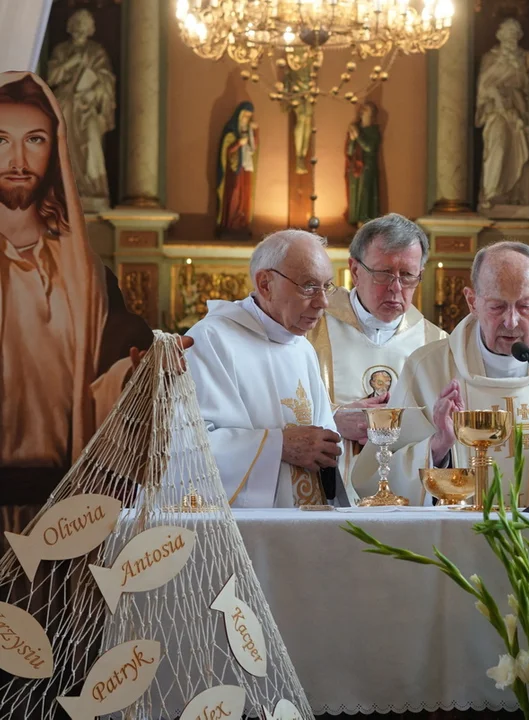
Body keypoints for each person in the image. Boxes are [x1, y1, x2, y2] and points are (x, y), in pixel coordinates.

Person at [0, 72, 151, 546]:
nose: (17, 160)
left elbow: (118, 371)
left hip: (64, 514)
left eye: (35, 140)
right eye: (0, 141)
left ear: (56, 149)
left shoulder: (89, 279)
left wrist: (142, 372)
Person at [351, 241, 529, 506]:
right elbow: (373, 481)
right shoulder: (427, 370)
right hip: (456, 542)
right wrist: (438, 447)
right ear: (472, 301)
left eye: (525, 306)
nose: (511, 322)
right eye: (497, 307)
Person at [186, 229, 342, 507]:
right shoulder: (210, 340)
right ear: (265, 284)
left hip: (309, 522)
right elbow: (187, 448)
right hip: (243, 530)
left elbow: (322, 439)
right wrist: (278, 445)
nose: (323, 302)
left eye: (326, 286)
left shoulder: (302, 347)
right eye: (308, 286)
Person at [306, 213, 445, 505]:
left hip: (401, 504)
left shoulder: (438, 345)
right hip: (321, 494)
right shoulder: (308, 330)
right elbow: (271, 412)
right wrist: (331, 421)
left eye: (407, 275)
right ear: (355, 271)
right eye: (383, 273)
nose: (396, 288)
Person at [45, 9, 115, 210]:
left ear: (91, 28)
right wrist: (71, 63)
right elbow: (52, 77)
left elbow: (107, 80)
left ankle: (92, 188)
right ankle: (63, 187)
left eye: (84, 23)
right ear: (70, 26)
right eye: (77, 22)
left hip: (88, 107)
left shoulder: (96, 51)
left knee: (92, 141)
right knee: (62, 144)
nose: (80, 27)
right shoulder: (61, 50)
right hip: (65, 104)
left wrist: (95, 90)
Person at [475, 18, 529, 211]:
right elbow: (483, 87)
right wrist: (496, 95)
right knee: (498, 148)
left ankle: (517, 196)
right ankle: (493, 192)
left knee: (520, 153)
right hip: (497, 112)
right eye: (508, 33)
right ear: (500, 35)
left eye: (515, 33)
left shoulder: (524, 58)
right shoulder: (490, 58)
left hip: (519, 113)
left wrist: (525, 93)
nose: (511, 37)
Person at [216, 101, 258, 234]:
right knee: (235, 192)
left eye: (249, 116)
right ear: (239, 115)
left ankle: (242, 222)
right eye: (244, 116)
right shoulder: (231, 129)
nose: (246, 119)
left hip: (246, 165)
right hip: (234, 168)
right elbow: (226, 150)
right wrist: (238, 143)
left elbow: (253, 148)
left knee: (245, 194)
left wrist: (255, 132)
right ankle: (230, 223)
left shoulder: (249, 129)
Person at [345, 101, 381, 225]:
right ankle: (355, 221)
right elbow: (350, 151)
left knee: (365, 194)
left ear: (372, 114)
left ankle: (364, 221)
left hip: (368, 166)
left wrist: (358, 135)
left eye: (366, 110)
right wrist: (352, 138)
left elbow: (369, 147)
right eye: (363, 109)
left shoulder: (374, 131)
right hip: (356, 167)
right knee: (355, 195)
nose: (363, 112)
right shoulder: (357, 128)